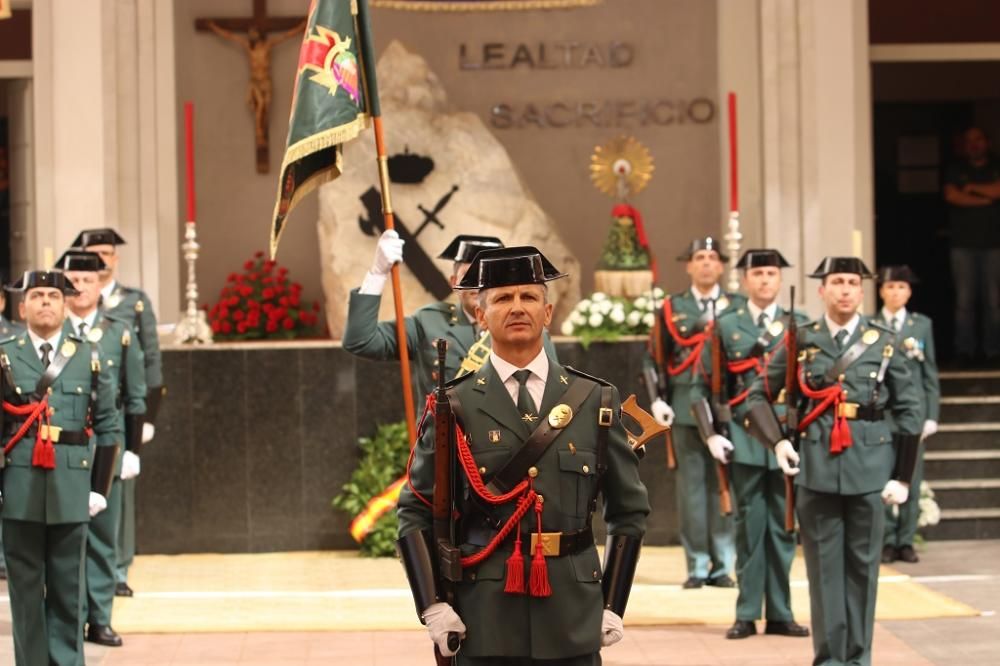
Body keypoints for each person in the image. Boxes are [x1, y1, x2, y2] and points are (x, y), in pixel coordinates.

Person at [396, 246, 649, 664]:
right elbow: (414, 510)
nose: (517, 308)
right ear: (480, 315)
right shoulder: (454, 406)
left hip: (573, 616)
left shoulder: (594, 400)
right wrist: (434, 605)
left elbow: (630, 509)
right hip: (484, 618)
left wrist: (612, 604)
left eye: (529, 297)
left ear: (548, 313)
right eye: (502, 298)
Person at [746, 256, 923, 666]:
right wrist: (776, 443)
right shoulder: (801, 341)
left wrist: (904, 475)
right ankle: (828, 660)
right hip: (816, 467)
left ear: (861, 292)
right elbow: (757, 395)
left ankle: (859, 658)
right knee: (824, 573)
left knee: (864, 572)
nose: (844, 289)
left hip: (872, 470)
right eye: (836, 282)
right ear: (822, 290)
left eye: (851, 282)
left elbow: (911, 410)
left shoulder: (884, 342)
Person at [1, 270, 121, 666]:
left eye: (54, 294)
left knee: (69, 588)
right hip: (18, 484)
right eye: (37, 296)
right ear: (23, 307)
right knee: (25, 589)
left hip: (72, 486)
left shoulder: (88, 354)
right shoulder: (5, 354)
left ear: (66, 303)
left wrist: (99, 489)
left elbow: (107, 425)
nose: (46, 302)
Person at [689, 249, 809, 639]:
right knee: (748, 528)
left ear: (780, 279)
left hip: (786, 436)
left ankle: (780, 612)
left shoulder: (800, 325)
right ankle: (746, 612)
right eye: (757, 273)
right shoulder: (726, 326)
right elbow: (700, 387)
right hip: (743, 435)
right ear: (744, 280)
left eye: (771, 273)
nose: (764, 280)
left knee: (783, 530)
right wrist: (711, 435)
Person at [343, 232, 558, 411]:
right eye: (469, 277)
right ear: (454, 283)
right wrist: (378, 273)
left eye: (486, 277)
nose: (478, 285)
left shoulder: (528, 328)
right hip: (445, 448)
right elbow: (361, 341)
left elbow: (548, 393)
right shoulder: (428, 322)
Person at [56, 250, 147, 647]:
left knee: (102, 535)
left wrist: (131, 448)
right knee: (65, 536)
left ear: (99, 286)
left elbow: (135, 393)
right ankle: (69, 618)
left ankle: (100, 618)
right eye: (73, 279)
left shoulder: (119, 332)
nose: (80, 286)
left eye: (88, 280)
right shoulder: (51, 332)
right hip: (60, 448)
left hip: (105, 446)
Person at [647, 236, 744, 588]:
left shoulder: (737, 306)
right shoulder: (672, 309)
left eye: (712, 257)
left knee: (726, 485)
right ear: (688, 265)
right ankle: (698, 565)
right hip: (687, 408)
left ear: (721, 266)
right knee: (692, 490)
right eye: (699, 257)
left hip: (728, 408)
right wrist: (658, 398)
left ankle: (723, 563)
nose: (706, 263)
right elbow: (654, 357)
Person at [73, 227, 164, 597]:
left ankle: (118, 568)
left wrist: (148, 418)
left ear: (115, 258)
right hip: (82, 417)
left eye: (106, 252)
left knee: (118, 497)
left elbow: (150, 361)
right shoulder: (71, 302)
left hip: (122, 410)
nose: (101, 258)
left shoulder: (134, 301)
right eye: (93, 251)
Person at [872, 265, 940, 565]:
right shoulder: (870, 324)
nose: (895, 292)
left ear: (909, 292)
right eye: (890, 287)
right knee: (884, 474)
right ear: (881, 291)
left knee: (911, 475)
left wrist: (932, 415)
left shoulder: (920, 324)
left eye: (901, 287)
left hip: (914, 412)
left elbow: (929, 373)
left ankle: (906, 540)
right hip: (883, 412)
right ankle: (886, 539)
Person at [943, 126, 1000, 364]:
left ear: (986, 142)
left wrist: (972, 190)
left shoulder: (995, 166)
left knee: (994, 301)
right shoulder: (956, 169)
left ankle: (993, 351)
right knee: (964, 301)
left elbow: (997, 190)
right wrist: (987, 199)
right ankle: (964, 351)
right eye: (969, 141)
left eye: (978, 139)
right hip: (963, 245)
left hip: (994, 243)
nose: (974, 144)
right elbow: (952, 196)